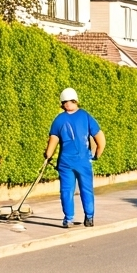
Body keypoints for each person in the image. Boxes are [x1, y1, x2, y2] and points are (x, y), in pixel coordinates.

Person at [45, 87, 104, 228]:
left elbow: (51, 145)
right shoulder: (86, 116)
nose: (66, 104)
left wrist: (47, 156)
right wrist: (96, 155)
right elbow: (101, 139)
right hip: (83, 161)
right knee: (86, 189)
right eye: (65, 102)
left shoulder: (59, 120)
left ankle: (68, 219)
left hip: (65, 162)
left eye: (67, 102)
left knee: (67, 191)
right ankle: (89, 218)